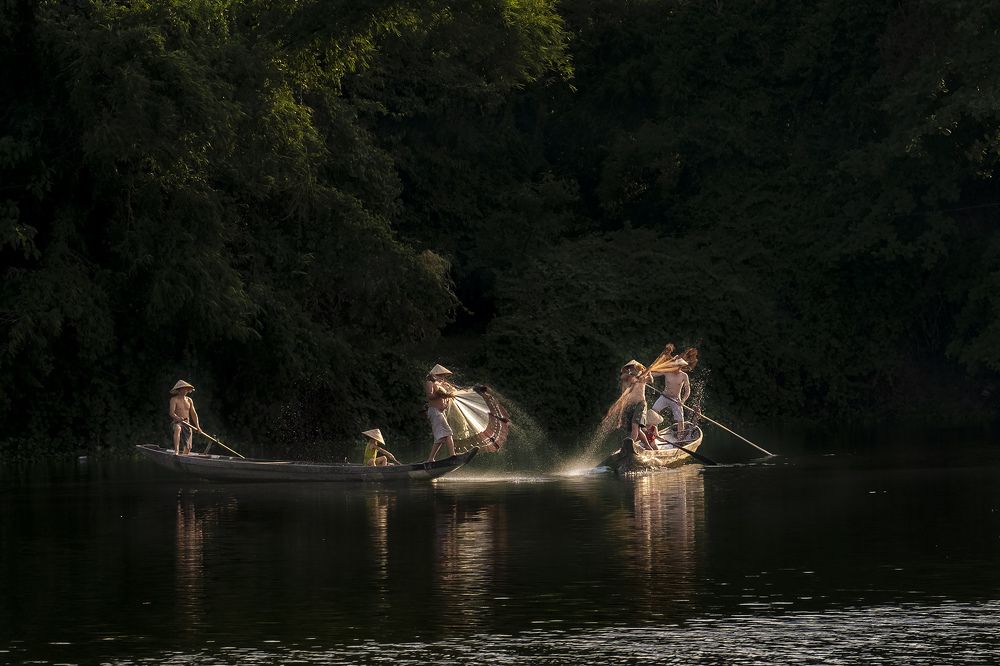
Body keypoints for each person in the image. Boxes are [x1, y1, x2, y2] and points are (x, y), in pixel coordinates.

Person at [651, 356, 691, 438]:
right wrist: (645, 374)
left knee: (680, 419)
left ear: (680, 367)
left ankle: (680, 437)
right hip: (665, 396)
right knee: (653, 411)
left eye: (677, 366)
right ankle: (655, 434)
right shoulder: (667, 371)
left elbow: (687, 391)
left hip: (676, 399)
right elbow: (653, 374)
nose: (675, 368)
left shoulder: (684, 376)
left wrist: (682, 401)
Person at [425, 364, 458, 461]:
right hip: (434, 412)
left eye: (443, 376)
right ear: (435, 375)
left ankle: (431, 459)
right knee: (448, 433)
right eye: (440, 375)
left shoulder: (441, 385)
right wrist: (442, 395)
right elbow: (430, 396)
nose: (442, 377)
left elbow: (446, 398)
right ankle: (453, 455)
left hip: (440, 412)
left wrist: (447, 399)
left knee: (441, 438)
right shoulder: (430, 383)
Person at [620, 360, 654, 450]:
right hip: (630, 406)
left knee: (635, 426)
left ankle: (630, 445)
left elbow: (651, 380)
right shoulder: (626, 379)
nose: (631, 370)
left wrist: (649, 373)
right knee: (636, 429)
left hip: (640, 404)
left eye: (633, 368)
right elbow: (623, 395)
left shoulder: (642, 378)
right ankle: (647, 446)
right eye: (630, 368)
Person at [169, 380, 201, 455]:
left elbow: (194, 414)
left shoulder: (189, 400)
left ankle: (183, 460)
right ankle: (176, 451)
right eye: (184, 388)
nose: (186, 390)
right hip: (177, 422)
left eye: (186, 389)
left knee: (187, 450)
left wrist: (198, 427)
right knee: (178, 428)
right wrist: (178, 418)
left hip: (187, 424)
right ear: (179, 390)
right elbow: (171, 413)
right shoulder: (174, 399)